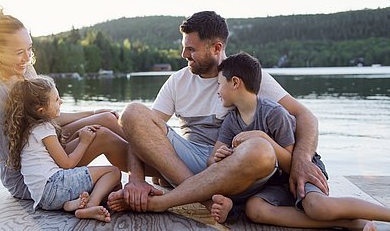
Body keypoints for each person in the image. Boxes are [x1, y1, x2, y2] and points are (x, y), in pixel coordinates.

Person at [108, 11, 327, 219]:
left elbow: (304, 115)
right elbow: (141, 132)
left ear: (216, 48)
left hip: (236, 169)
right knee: (132, 113)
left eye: (191, 49)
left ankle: (178, 197)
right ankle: (203, 199)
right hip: (189, 164)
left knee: (261, 150)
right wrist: (136, 179)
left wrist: (301, 161)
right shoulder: (178, 81)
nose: (184, 55)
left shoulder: (244, 77)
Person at [0, 6, 128, 209]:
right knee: (102, 136)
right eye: (19, 52)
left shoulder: (26, 70)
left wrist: (92, 113)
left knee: (108, 119)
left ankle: (155, 171)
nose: (27, 58)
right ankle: (147, 176)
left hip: (44, 150)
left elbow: (46, 118)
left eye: (29, 48)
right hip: (25, 174)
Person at [209, 52, 389, 230]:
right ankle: (348, 223)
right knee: (254, 210)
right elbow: (212, 161)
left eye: (219, 84)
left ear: (234, 82)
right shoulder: (231, 121)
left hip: (302, 168)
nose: (217, 91)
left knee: (318, 208)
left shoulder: (274, 113)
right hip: (275, 182)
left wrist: (263, 138)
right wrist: (221, 156)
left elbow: (291, 164)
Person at [4, 75, 120, 222]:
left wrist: (79, 134)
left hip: (43, 199)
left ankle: (70, 205)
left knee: (113, 187)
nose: (61, 101)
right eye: (57, 100)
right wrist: (84, 141)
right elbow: (67, 164)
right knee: (113, 172)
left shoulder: (26, 130)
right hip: (55, 185)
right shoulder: (44, 128)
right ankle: (90, 206)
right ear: (41, 110)